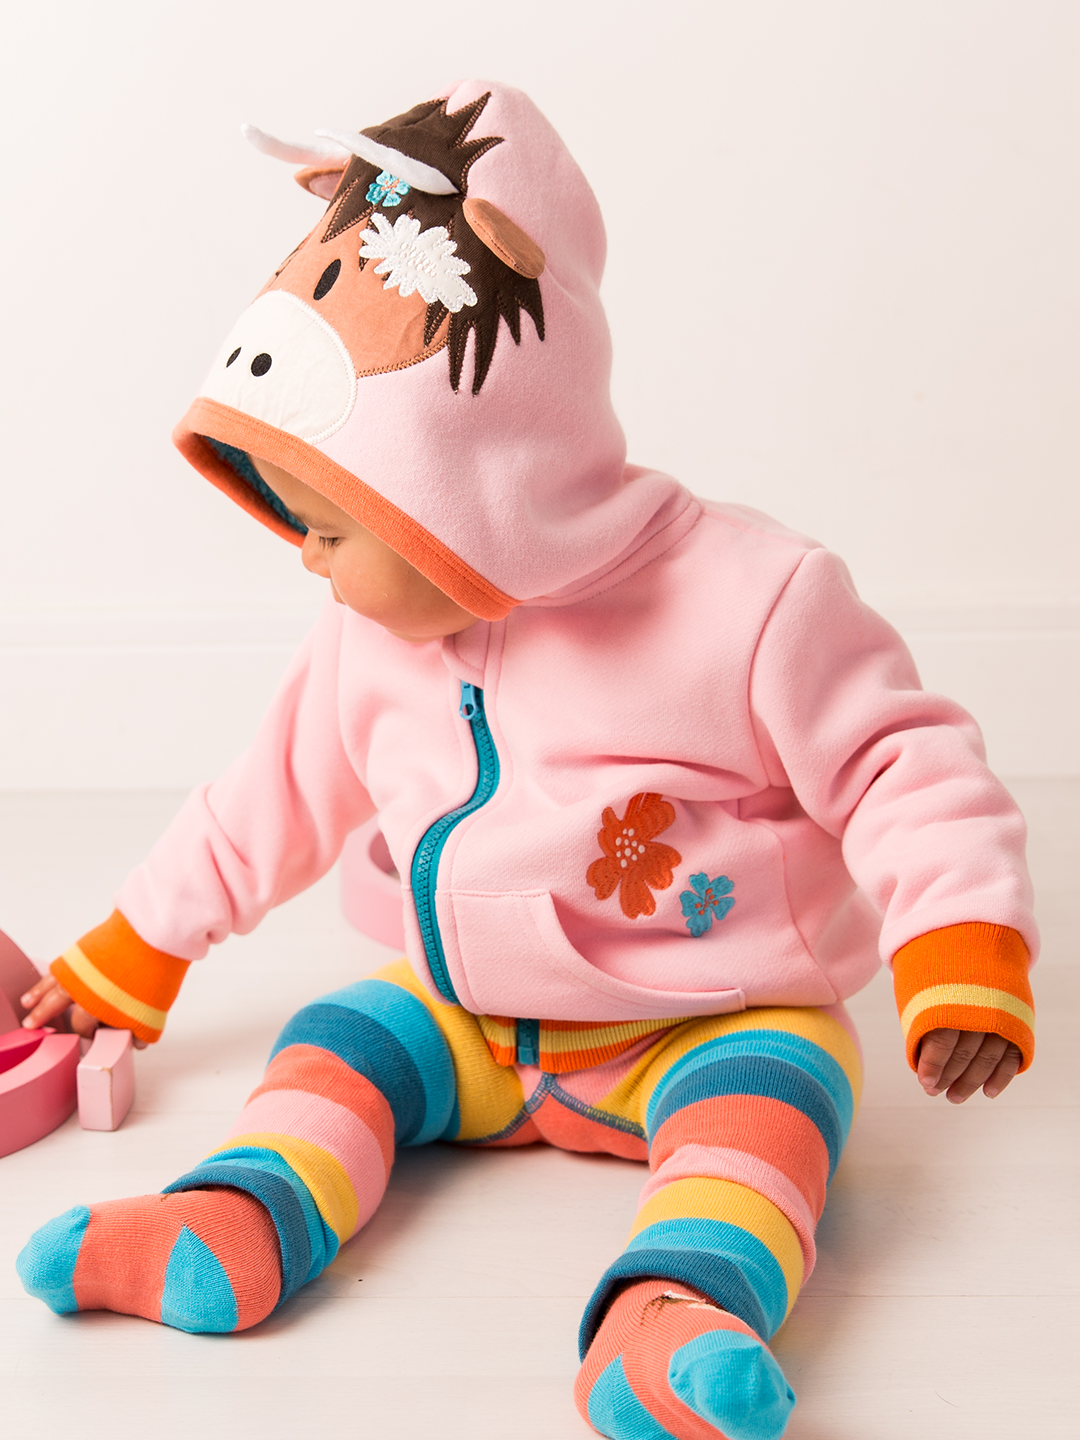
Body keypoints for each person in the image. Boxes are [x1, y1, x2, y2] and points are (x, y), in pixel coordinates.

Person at [15, 81, 1035, 1440]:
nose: (304, 557)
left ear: (467, 487)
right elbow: (265, 800)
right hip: (471, 1019)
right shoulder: (366, 640)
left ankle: (676, 1313)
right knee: (333, 1045)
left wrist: (959, 938)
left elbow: (902, 760)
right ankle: (228, 1223)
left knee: (771, 1118)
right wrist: (135, 951)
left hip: (713, 1016)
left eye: (331, 525)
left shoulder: (751, 601)